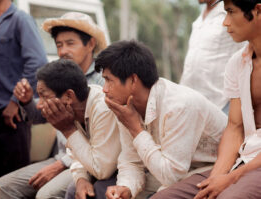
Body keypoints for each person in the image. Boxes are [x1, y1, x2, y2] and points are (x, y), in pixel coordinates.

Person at [150, 0, 261, 198]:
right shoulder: (238, 63)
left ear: (258, 11)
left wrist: (232, 178)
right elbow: (235, 128)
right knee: (164, 196)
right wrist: (215, 179)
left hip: (254, 165)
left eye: (230, 12)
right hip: (243, 158)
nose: (225, 22)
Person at [94, 40, 228, 199]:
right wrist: (126, 187)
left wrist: (136, 129)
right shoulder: (126, 105)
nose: (105, 89)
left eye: (109, 80)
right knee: (101, 189)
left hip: (213, 168)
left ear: (133, 80)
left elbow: (171, 175)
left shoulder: (178, 105)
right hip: (173, 171)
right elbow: (131, 161)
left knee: (161, 196)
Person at [0, 11, 108, 199]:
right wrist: (27, 101)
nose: (63, 51)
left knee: (46, 195)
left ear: (91, 44)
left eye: (70, 43)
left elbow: (100, 145)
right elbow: (40, 115)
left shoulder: (103, 81)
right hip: (60, 157)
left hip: (89, 162)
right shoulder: (56, 75)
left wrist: (61, 165)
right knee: (4, 186)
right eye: (59, 45)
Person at [0, 0, 47, 197]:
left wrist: (15, 102)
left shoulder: (21, 20)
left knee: (13, 185)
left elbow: (37, 65)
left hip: (11, 119)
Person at [179, 0, 244, 114]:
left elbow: (246, 52)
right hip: (193, 103)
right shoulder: (198, 20)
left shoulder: (229, 13)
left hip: (221, 103)